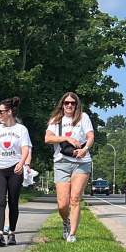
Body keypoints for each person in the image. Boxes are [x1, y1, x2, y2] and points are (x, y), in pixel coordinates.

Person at [45, 91, 94, 243]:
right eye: (67, 103)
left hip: (82, 162)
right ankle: (65, 221)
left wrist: (84, 150)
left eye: (73, 103)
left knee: (75, 198)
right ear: (62, 104)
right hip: (61, 163)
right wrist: (66, 138)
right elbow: (47, 138)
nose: (69, 105)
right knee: (62, 204)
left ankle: (72, 234)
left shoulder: (83, 117)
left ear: (76, 105)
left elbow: (90, 136)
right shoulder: (56, 120)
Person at [0, 97, 32, 247]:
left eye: (1, 111)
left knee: (13, 201)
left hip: (14, 169)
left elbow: (26, 148)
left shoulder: (21, 129)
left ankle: (11, 232)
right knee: (0, 201)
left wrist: (22, 163)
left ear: (9, 112)